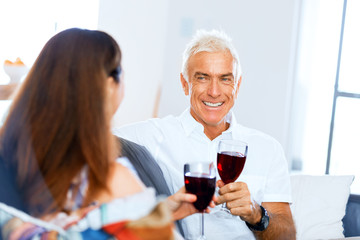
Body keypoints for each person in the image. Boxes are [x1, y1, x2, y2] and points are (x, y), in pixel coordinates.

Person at [0, 28, 202, 239]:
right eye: (122, 73)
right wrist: (150, 215)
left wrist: (160, 211)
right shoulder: (108, 179)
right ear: (107, 86)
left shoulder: (10, 157)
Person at [114, 29, 296, 240]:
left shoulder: (267, 148)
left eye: (225, 79)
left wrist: (256, 214)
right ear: (185, 83)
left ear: (237, 86)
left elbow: (287, 236)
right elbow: (88, 138)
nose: (214, 92)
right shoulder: (154, 134)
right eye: (203, 78)